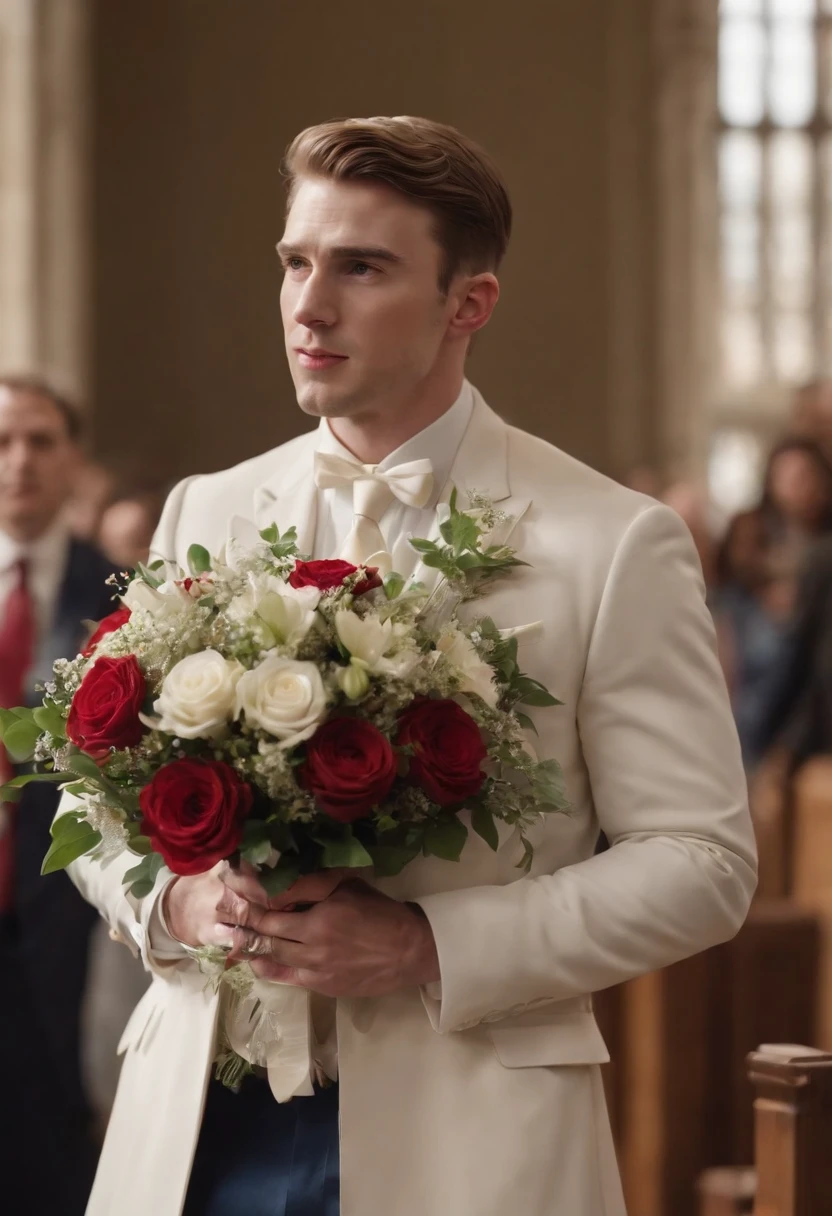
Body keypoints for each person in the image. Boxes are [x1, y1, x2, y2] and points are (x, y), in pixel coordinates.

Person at [66, 117, 756, 1216]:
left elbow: (701, 862)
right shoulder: (208, 507)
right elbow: (94, 803)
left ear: (466, 303)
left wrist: (427, 945)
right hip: (199, 1123)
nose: (308, 302)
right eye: (295, 261)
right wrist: (180, 904)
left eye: (362, 266)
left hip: (463, 1125)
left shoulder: (610, 540)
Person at [0, 374, 117, 1214]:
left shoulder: (114, 597)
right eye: (4, 442)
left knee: (50, 1148)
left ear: (73, 460)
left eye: (42, 441)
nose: (20, 462)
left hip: (64, 912)